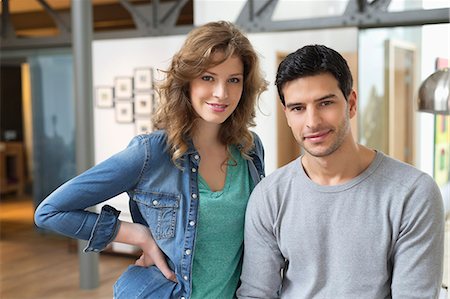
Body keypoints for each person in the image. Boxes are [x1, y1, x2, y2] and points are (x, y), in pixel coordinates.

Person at [35, 21, 268, 299]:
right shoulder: (152, 153)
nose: (222, 93)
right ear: (186, 81)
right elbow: (50, 212)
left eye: (234, 80)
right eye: (208, 77)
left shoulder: (250, 150)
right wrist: (138, 235)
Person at [237, 44, 445, 299]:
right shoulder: (269, 196)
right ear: (287, 115)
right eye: (298, 108)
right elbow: (256, 295)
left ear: (352, 104)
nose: (312, 122)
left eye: (325, 103)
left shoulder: (413, 194)